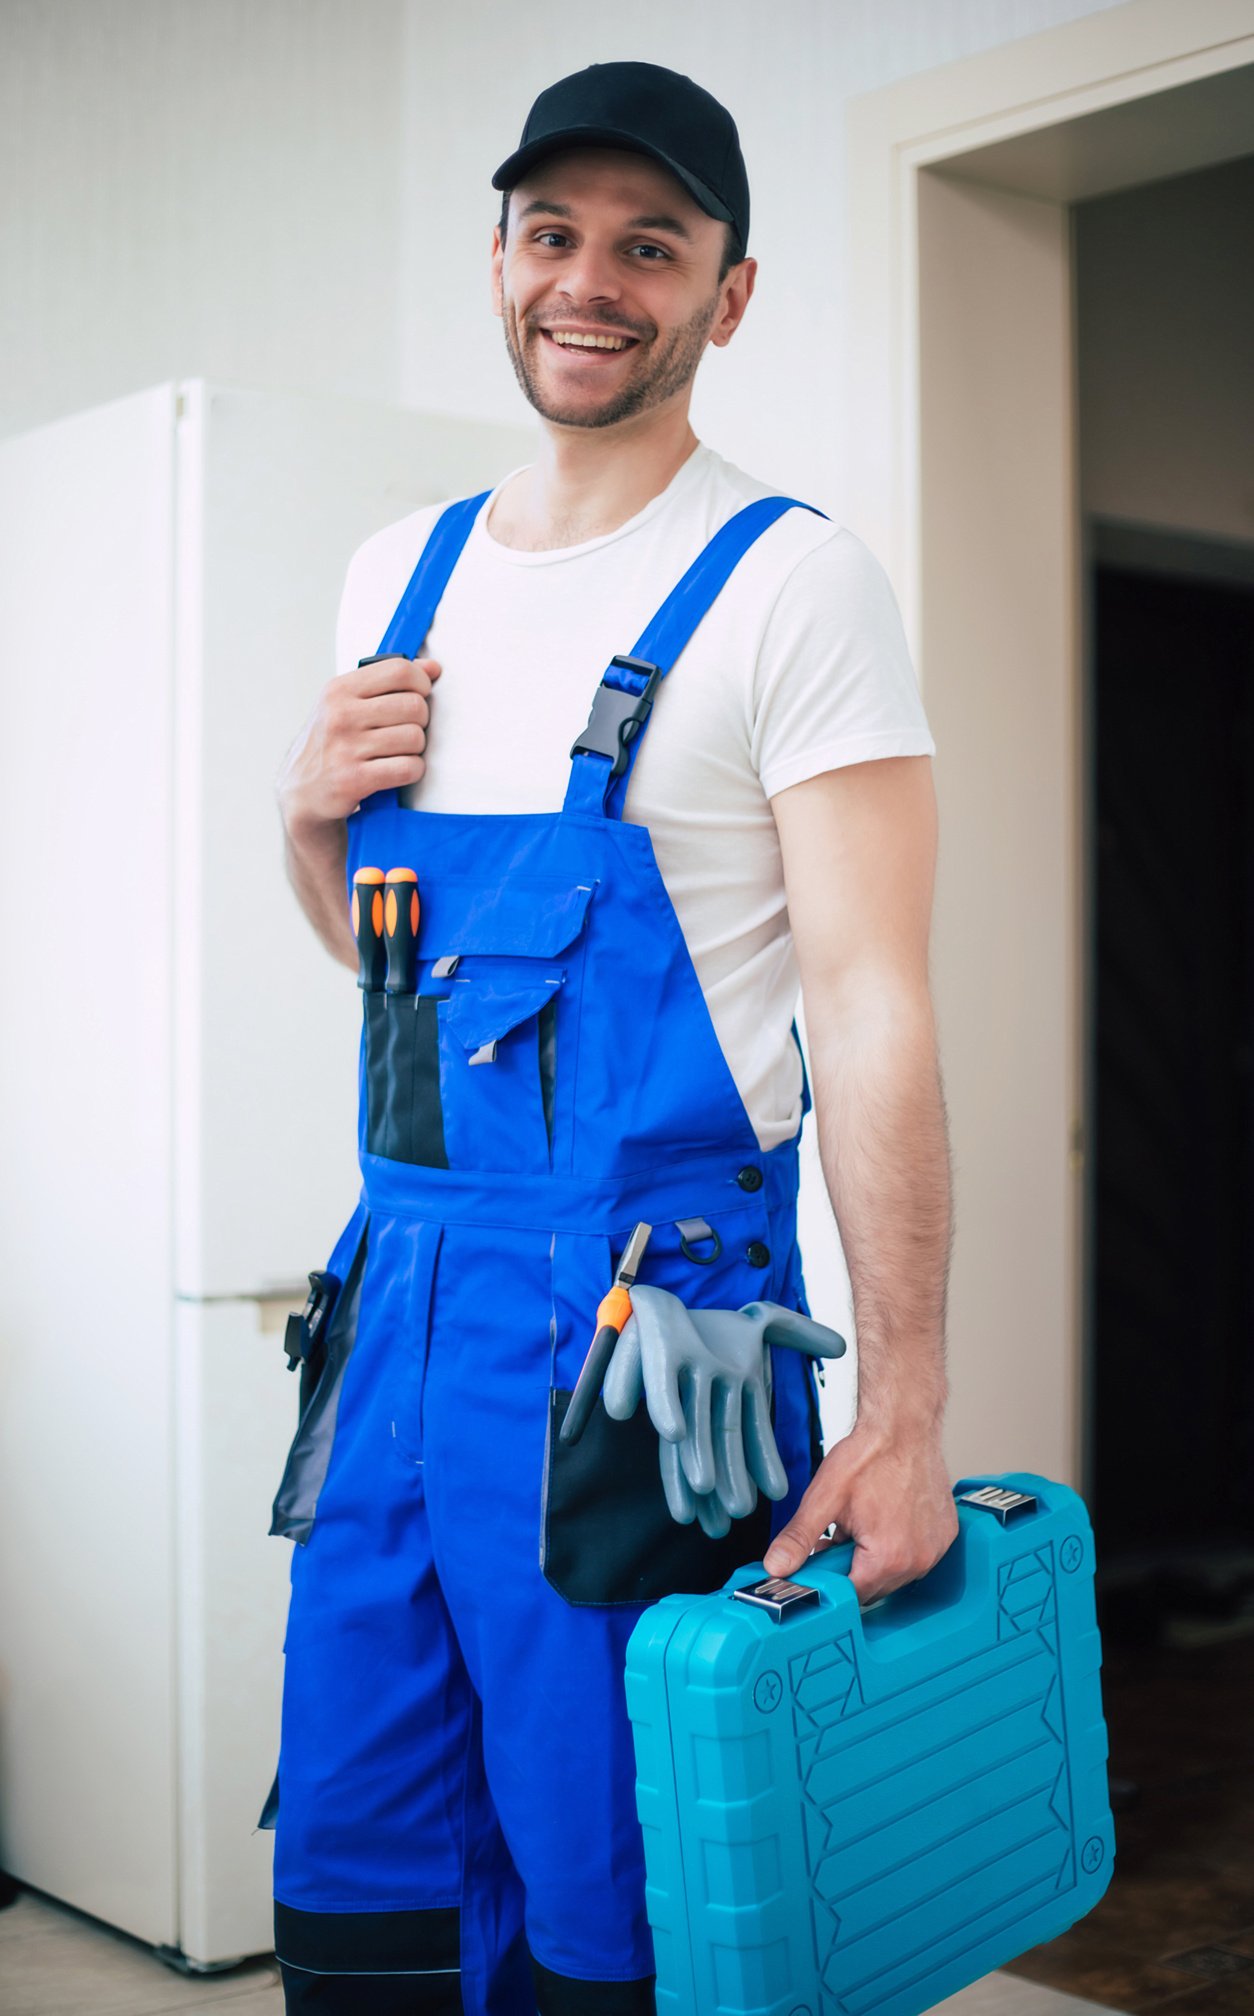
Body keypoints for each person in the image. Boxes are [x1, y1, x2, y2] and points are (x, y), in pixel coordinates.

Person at [272, 58, 958, 2016]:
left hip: (657, 1349)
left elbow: (875, 1004)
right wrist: (300, 813)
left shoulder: (792, 582)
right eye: (553, 233)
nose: (592, 280)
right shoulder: (391, 576)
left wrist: (904, 1408)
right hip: (392, 1315)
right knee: (369, 1889)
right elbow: (390, 976)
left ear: (726, 294)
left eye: (650, 245)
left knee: (625, 1911)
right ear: (499, 258)